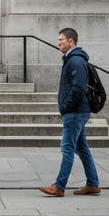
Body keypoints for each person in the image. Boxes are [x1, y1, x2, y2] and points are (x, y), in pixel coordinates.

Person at [39, 28, 101, 197]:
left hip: (75, 111)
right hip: (77, 110)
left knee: (67, 148)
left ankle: (59, 186)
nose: (58, 43)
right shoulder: (73, 59)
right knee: (82, 148)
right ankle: (93, 184)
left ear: (71, 41)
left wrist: (66, 106)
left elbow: (78, 88)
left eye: (61, 40)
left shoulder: (75, 61)